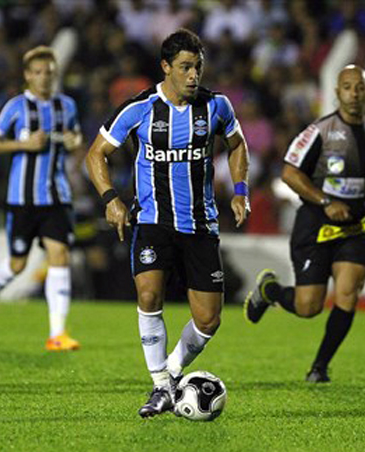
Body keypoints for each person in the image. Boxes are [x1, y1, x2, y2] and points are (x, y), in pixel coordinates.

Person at [85, 29, 250, 418]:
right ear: (166, 67)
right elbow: (96, 154)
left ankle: (172, 373)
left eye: (198, 67)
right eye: (185, 67)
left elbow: (237, 143)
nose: (194, 76)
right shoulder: (140, 108)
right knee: (148, 296)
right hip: (152, 221)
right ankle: (161, 387)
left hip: (200, 224)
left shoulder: (216, 107)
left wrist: (240, 189)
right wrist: (111, 200)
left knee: (208, 320)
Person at [244, 65, 365, 383]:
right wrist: (324, 202)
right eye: (347, 87)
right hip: (315, 223)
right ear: (337, 92)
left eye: (360, 87)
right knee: (308, 307)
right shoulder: (319, 132)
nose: (354, 93)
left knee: (348, 292)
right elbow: (290, 173)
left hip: (354, 227)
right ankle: (272, 291)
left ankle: (319, 367)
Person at [0, 46, 83, 351]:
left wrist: (75, 141)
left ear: (55, 74)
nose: (44, 78)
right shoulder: (16, 107)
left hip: (57, 196)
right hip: (22, 198)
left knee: (59, 255)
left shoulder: (67, 106)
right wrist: (22, 146)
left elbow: (74, 138)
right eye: (37, 72)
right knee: (18, 264)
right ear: (27, 76)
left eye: (48, 72)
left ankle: (57, 334)